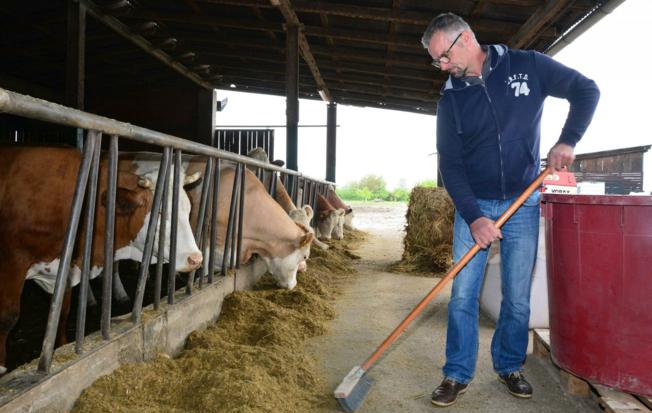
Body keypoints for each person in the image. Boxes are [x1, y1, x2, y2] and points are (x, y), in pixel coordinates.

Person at [421, 12, 600, 407]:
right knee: (463, 296)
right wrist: (474, 216)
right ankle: (456, 374)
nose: (443, 67)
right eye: (437, 62)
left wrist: (568, 140)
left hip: (523, 200)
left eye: (445, 57)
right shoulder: (451, 98)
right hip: (476, 205)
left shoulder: (527, 65)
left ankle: (508, 365)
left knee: (517, 296)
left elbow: (586, 90)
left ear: (466, 39)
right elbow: (449, 165)